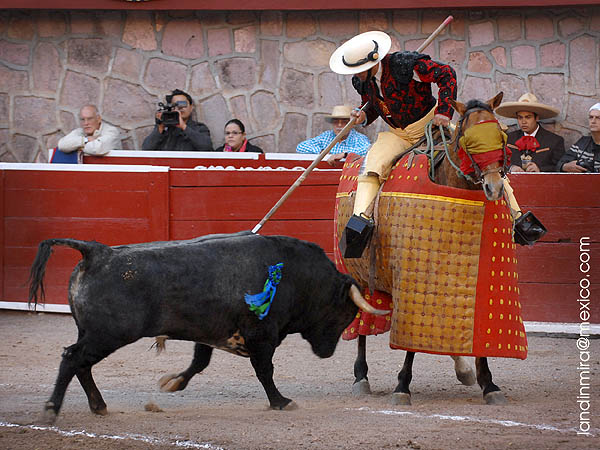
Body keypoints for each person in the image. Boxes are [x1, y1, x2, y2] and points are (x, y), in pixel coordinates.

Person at [329, 31, 457, 257]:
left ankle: (517, 217)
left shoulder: (404, 65)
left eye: (359, 70)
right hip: (398, 133)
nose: (356, 76)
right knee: (372, 164)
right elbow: (374, 104)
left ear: (373, 62)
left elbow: (446, 73)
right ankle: (359, 224)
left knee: (473, 151)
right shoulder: (363, 80)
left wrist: (445, 111)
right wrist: (364, 115)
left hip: (431, 126)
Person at [495, 93, 565, 173]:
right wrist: (511, 167)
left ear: (537, 118)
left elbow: (560, 167)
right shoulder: (509, 138)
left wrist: (540, 169)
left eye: (528, 117)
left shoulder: (554, 141)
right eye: (520, 117)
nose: (523, 122)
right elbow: (498, 161)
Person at [296, 105, 371, 165]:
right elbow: (301, 147)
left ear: (351, 124)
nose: (339, 125)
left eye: (344, 122)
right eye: (336, 122)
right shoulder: (327, 136)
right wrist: (321, 151)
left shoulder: (358, 138)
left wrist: (345, 154)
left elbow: (368, 150)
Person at [142, 89, 213, 151]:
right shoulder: (165, 128)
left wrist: (184, 127)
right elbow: (146, 149)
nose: (179, 108)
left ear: (191, 107)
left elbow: (207, 147)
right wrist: (159, 128)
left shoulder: (199, 128)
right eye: (175, 105)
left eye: (183, 104)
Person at [557, 102, 600, 173]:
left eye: (598, 118)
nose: (593, 121)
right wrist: (565, 166)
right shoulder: (583, 142)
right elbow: (560, 163)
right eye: (591, 117)